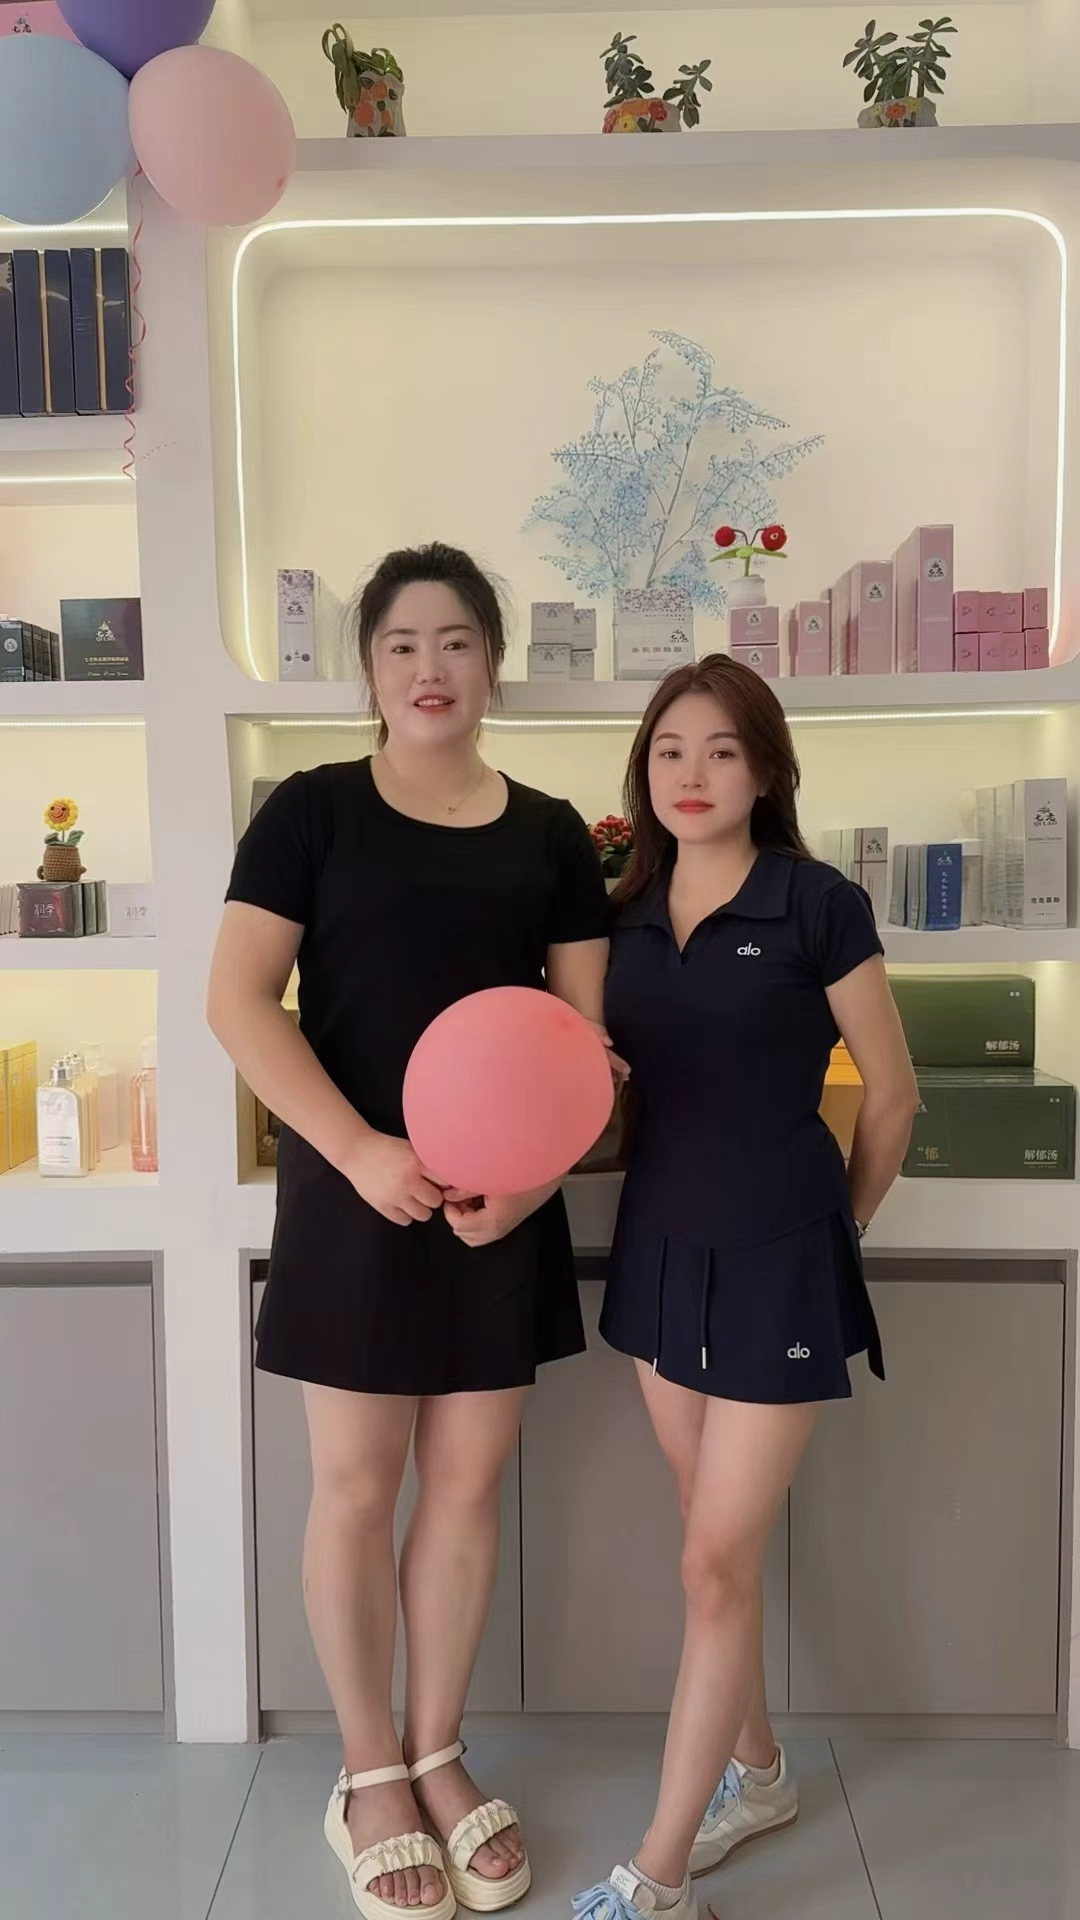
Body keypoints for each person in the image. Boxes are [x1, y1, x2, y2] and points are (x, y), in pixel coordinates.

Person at [207, 544, 611, 1920]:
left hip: (501, 1209)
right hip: (352, 1191)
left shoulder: (552, 834)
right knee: (354, 1488)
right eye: (401, 645)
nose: (430, 669)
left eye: (455, 643)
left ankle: (438, 1751)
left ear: (492, 663)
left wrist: (535, 1186)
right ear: (369, 670)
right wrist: (362, 1152)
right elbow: (239, 1003)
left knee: (466, 1489)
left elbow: (584, 1047)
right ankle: (368, 1771)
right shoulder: (309, 811)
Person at [575, 656, 918, 1920]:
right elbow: (594, 1092)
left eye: (722, 750)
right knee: (704, 1538)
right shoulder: (619, 916)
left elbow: (894, 1097)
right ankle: (761, 1775)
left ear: (766, 769)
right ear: (644, 773)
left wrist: (838, 1236)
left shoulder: (816, 902)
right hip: (661, 1251)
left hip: (781, 1260)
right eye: (671, 750)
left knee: (715, 1562)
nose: (694, 773)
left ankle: (659, 1873)